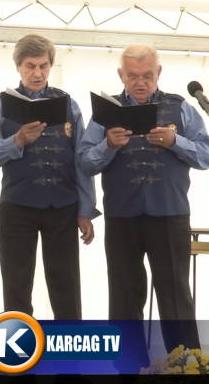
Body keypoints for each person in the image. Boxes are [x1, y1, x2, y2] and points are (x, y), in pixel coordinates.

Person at [78, 44, 208, 353]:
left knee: (175, 293)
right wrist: (107, 145)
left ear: (158, 73)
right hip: (123, 215)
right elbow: (84, 161)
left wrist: (176, 141)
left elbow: (205, 154)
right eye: (133, 76)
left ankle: (185, 371)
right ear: (121, 75)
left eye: (147, 75)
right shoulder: (105, 114)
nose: (140, 82)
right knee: (124, 294)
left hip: (170, 213)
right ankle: (128, 371)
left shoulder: (182, 108)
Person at [0, 34, 98, 320]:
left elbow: (81, 160)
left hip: (62, 208)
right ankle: (22, 361)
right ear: (18, 66)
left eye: (43, 66)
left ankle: (70, 363)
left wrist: (85, 210)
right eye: (30, 66)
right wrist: (16, 141)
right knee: (17, 292)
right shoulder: (0, 105)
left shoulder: (69, 105)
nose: (37, 73)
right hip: (17, 208)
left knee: (66, 289)